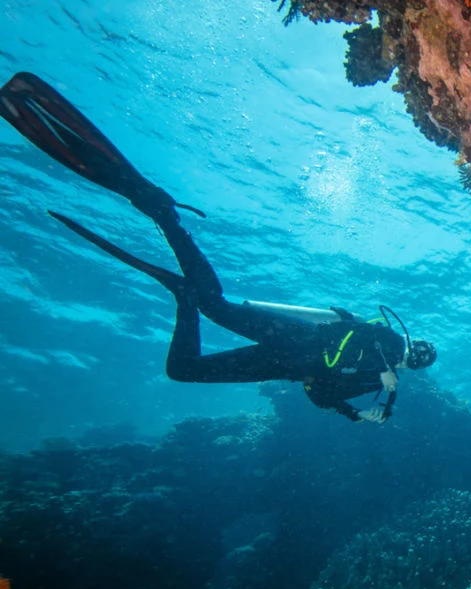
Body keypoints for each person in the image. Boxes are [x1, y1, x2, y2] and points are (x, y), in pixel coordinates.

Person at [0, 72, 436, 424]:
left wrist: (358, 414)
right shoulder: (384, 338)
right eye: (416, 350)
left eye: (416, 359)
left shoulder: (380, 381)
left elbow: (320, 395)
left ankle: (180, 292)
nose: (410, 356)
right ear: (411, 342)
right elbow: (360, 333)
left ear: (415, 368)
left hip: (281, 365)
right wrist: (384, 365)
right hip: (292, 337)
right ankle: (163, 214)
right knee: (216, 305)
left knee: (184, 369)